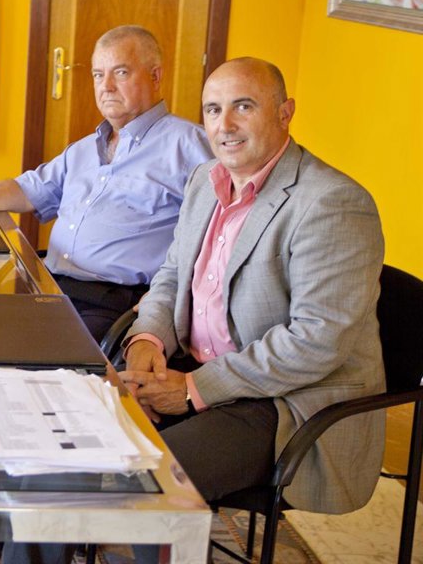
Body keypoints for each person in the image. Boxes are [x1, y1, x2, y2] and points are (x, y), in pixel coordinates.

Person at [119, 58, 385, 560]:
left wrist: (193, 390)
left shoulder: (332, 202)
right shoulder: (205, 179)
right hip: (195, 367)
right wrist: (147, 341)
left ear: (285, 113)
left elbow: (316, 342)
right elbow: (172, 274)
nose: (225, 125)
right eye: (212, 109)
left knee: (150, 480)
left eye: (243, 106)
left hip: (286, 400)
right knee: (66, 450)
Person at [0, 25, 211, 340]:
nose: (106, 86)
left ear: (155, 76)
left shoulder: (190, 146)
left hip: (114, 302)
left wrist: (170, 294)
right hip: (49, 284)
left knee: (14, 347)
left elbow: (223, 232)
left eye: (120, 72)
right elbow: (30, 188)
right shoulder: (82, 150)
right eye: (98, 75)